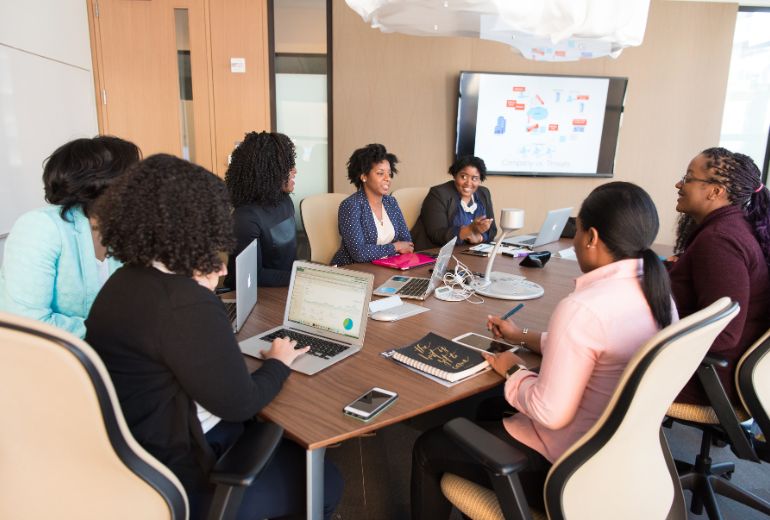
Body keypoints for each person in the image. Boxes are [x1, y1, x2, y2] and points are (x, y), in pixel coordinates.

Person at [84, 154, 342, 520]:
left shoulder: (121, 282)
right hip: (185, 476)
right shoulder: (183, 302)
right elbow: (241, 403)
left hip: (134, 457)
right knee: (327, 483)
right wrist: (278, 362)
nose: (221, 268)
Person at [411, 182, 676, 517]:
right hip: (622, 460)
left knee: (428, 446)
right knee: (488, 408)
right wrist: (521, 335)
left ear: (591, 237)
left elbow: (550, 412)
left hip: (566, 472)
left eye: (578, 231)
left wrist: (512, 368)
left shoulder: (583, 308)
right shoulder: (658, 293)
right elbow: (591, 348)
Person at [0, 135, 140, 338]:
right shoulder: (41, 227)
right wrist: (117, 331)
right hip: (48, 358)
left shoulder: (125, 228)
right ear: (102, 183)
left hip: (108, 351)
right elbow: (28, 323)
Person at [669, 147, 770, 405]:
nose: (679, 184)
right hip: (718, 371)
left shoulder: (719, 241)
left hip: (709, 379)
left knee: (596, 361)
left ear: (715, 191)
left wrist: (651, 339)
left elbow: (724, 333)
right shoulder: (731, 227)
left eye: (689, 178)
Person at [224, 131, 298, 288]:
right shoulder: (246, 218)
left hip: (284, 287)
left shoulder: (285, 201)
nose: (295, 171)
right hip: (253, 294)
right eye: (287, 166)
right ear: (268, 171)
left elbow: (287, 260)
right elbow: (253, 276)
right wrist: (302, 277)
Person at [330, 143, 413, 265]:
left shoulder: (391, 202)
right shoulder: (351, 205)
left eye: (389, 173)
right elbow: (359, 253)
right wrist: (395, 247)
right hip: (354, 271)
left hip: (387, 267)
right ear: (364, 176)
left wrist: (399, 247)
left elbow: (407, 243)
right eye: (380, 173)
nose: (387, 178)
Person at [411, 155, 497, 250]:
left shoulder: (483, 193)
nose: (468, 183)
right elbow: (437, 235)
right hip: (435, 254)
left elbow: (492, 230)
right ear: (455, 175)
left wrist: (480, 237)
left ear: (480, 179)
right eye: (463, 177)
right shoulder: (438, 194)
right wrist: (470, 230)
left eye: (474, 178)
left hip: (470, 252)